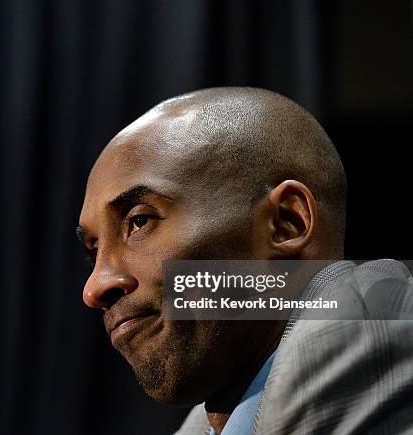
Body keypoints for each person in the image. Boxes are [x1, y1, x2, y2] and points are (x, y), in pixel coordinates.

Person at [76, 87, 413, 434]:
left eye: (140, 221)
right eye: (94, 248)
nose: (95, 287)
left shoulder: (368, 346)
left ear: (286, 223)